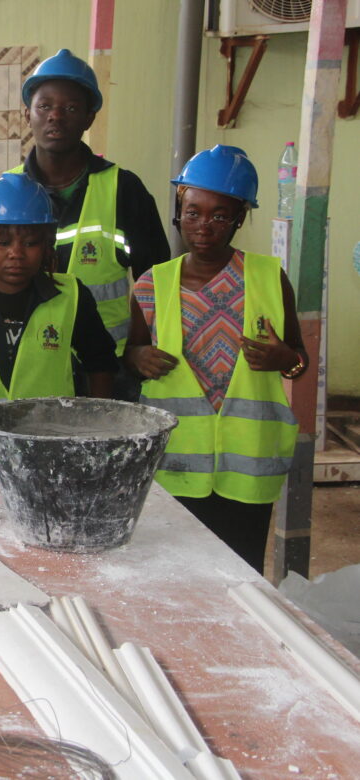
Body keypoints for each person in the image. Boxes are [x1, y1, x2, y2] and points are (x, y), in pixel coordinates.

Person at [127, 145, 306, 573]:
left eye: (219, 215)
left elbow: (298, 361)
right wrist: (137, 358)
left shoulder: (269, 278)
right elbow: (130, 355)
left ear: (240, 218)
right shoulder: (152, 285)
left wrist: (285, 358)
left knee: (241, 575)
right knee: (176, 576)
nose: (203, 226)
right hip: (175, 467)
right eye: (193, 212)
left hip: (248, 471)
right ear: (179, 212)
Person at [11, 48, 170, 398]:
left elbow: (157, 282)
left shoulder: (123, 189)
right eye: (44, 106)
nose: (55, 116)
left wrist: (137, 349)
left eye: (70, 108)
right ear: (27, 114)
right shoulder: (7, 192)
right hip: (29, 368)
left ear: (89, 118)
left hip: (110, 370)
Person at [0, 173, 117, 438]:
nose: (16, 253)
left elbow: (101, 363)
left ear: (46, 246)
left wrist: (97, 427)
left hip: (48, 448)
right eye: (2, 242)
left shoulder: (71, 296)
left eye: (30, 243)